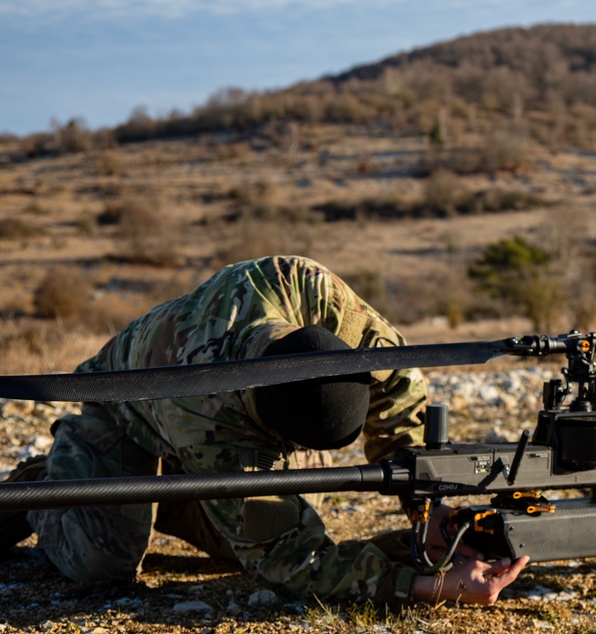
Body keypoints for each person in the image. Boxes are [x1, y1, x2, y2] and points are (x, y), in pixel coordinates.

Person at [0, 255, 528, 605]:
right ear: (266, 433)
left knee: (243, 542)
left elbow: (399, 382)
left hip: (198, 428)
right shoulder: (211, 417)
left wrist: (426, 506)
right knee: (101, 565)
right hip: (117, 410)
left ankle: (167, 498)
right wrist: (426, 586)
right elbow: (289, 564)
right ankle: (42, 486)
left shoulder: (313, 293)